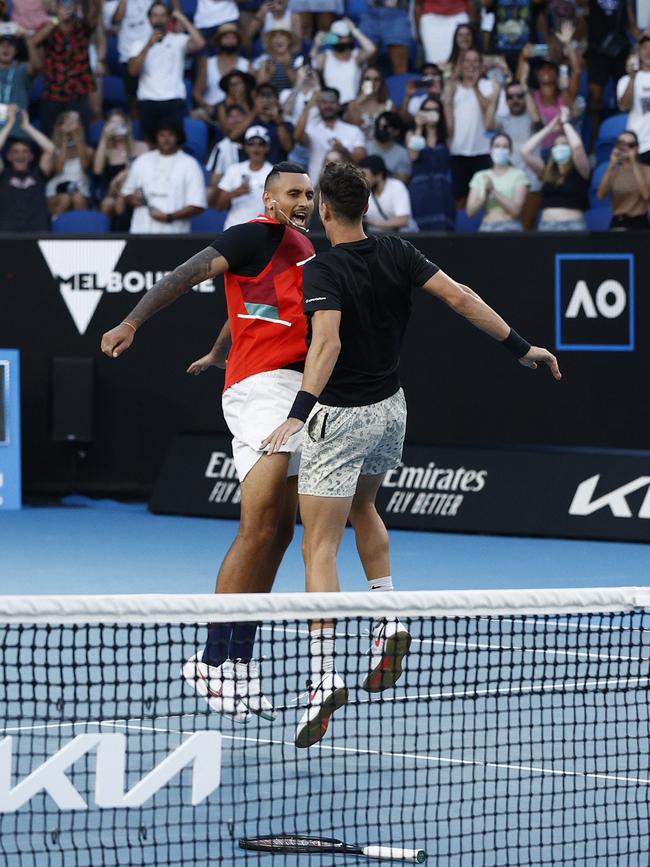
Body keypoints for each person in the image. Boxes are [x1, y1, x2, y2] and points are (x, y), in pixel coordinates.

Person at [261, 161, 561, 748]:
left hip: (341, 418)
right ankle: (389, 615)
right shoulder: (397, 249)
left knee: (317, 543)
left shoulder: (320, 267)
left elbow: (327, 343)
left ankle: (322, 677)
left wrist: (297, 413)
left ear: (324, 210)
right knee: (364, 509)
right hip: (390, 410)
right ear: (365, 208)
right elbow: (461, 297)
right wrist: (523, 348)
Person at [100, 162, 317, 723]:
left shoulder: (301, 248)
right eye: (293, 193)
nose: (304, 201)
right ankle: (213, 659)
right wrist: (132, 322)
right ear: (269, 198)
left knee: (280, 532)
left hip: (297, 392)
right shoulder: (253, 234)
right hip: (262, 392)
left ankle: (240, 662)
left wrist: (220, 349)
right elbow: (186, 273)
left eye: (309, 194)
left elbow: (256, 306)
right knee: (260, 524)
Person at [127, 3, 205, 142]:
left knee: (174, 143)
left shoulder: (178, 40)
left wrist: (182, 18)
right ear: (149, 19)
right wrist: (149, 45)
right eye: (155, 15)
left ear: (168, 18)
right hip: (148, 101)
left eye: (162, 15)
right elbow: (132, 71)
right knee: (149, 144)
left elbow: (200, 43)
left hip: (173, 101)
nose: (159, 19)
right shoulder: (138, 43)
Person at [121, 118, 206, 233]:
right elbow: (126, 194)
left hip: (175, 235)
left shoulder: (190, 164)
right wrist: (132, 199)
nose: (166, 139)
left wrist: (169, 217)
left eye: (170, 135)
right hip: (140, 233)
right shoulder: (142, 160)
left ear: (178, 137)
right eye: (162, 135)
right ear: (156, 137)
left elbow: (197, 205)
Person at [33, 0, 102, 136]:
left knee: (81, 138)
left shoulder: (83, 27)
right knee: (51, 138)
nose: (67, 8)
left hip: (78, 94)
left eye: (71, 4)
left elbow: (95, 12)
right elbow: (33, 42)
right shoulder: (48, 28)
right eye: (63, 4)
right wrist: (56, 21)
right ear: (56, 8)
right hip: (53, 94)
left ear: (77, 7)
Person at [521, 110, 590, 230]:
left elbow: (577, 147)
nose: (560, 147)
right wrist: (550, 127)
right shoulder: (547, 170)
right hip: (547, 226)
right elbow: (525, 152)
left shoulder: (580, 169)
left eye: (565, 144)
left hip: (573, 225)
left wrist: (565, 123)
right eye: (556, 145)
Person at [443, 47, 494, 206]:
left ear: (481, 65)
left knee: (482, 197)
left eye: (475, 61)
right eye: (467, 60)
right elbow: (446, 117)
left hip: (483, 150)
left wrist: (475, 85)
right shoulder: (453, 87)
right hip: (458, 150)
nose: (471, 65)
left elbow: (488, 110)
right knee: (460, 198)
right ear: (461, 64)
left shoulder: (487, 85)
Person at [585, 0, 639, 147]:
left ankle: (627, 135)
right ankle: (593, 139)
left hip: (618, 49)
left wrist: (643, 40)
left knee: (624, 96)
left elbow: (631, 24)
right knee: (594, 99)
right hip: (596, 49)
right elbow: (582, 14)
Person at [0, 104, 55, 232]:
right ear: (8, 157)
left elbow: (50, 150)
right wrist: (9, 124)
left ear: (31, 157)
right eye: (16, 151)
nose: (20, 155)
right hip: (6, 235)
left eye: (25, 152)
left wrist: (27, 127)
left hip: (37, 232)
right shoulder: (3, 175)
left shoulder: (38, 173)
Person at [294, 87, 366, 183]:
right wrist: (308, 107)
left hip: (347, 186)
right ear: (318, 104)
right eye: (324, 102)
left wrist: (342, 150)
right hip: (318, 187)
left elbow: (361, 158)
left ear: (338, 104)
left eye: (332, 102)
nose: (328, 106)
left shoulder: (353, 130)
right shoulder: (312, 130)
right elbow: (297, 137)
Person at [406, 95, 454, 230]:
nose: (431, 113)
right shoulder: (412, 133)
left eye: (435, 110)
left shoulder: (446, 135)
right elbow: (413, 156)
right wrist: (419, 127)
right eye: (427, 110)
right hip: (420, 188)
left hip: (442, 188)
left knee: (443, 229)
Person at [94, 109, 147, 229]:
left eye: (120, 125)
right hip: (114, 190)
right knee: (108, 202)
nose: (117, 129)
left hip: (138, 189)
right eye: (113, 125)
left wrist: (126, 174)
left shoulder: (141, 146)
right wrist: (104, 138)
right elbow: (97, 170)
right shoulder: (107, 150)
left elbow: (148, 172)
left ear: (127, 125)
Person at [466, 131, 528, 230]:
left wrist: (493, 191)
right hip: (487, 228)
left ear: (510, 151)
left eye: (505, 147)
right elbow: (470, 212)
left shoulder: (519, 175)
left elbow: (516, 210)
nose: (500, 149)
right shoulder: (480, 176)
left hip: (510, 227)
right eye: (497, 146)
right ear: (491, 150)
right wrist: (484, 196)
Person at [214, 124, 273, 228]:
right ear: (246, 147)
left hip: (260, 233)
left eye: (261, 144)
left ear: (267, 147)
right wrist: (233, 193)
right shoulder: (234, 170)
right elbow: (219, 207)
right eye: (251, 144)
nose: (256, 148)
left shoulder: (274, 173)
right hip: (233, 231)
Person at [192, 24, 250, 123]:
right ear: (219, 41)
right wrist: (207, 107)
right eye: (226, 37)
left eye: (233, 37)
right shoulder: (208, 63)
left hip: (237, 111)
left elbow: (252, 93)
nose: (230, 41)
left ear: (238, 41)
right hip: (212, 109)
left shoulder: (246, 65)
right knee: (194, 116)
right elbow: (197, 93)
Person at [310, 18, 376, 105]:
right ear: (331, 38)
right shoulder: (325, 57)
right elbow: (311, 65)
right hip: (330, 106)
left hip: (353, 106)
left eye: (344, 37)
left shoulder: (356, 56)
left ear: (350, 38)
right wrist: (316, 45)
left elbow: (371, 49)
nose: (341, 40)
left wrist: (355, 31)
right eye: (337, 37)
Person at [596, 130, 650, 230]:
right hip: (618, 222)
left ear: (637, 148)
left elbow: (646, 195)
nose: (625, 148)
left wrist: (634, 163)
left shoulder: (647, 170)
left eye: (630, 145)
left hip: (640, 223)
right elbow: (600, 195)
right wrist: (611, 165)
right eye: (621, 144)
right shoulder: (613, 171)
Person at [46, 110, 93, 216]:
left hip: (80, 188)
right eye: (66, 123)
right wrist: (64, 139)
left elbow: (85, 165)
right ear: (59, 127)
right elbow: (58, 170)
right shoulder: (51, 149)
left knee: (77, 198)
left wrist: (75, 135)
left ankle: (81, 230)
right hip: (56, 189)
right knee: (65, 198)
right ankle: (54, 227)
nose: (69, 126)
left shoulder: (88, 150)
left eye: (72, 123)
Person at [359, 154, 416, 233]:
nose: (362, 179)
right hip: (376, 238)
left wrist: (371, 223)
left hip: (402, 238)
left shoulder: (396, 187)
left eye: (364, 175)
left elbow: (403, 220)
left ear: (379, 175)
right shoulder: (363, 191)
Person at [617, 32, 650, 165]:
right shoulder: (625, 80)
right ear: (638, 52)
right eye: (645, 47)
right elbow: (624, 106)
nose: (649, 51)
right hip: (638, 146)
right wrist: (632, 77)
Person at [0, 28, 39, 140]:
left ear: (16, 50)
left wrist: (27, 39)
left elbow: (37, 66)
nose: (5, 48)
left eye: (10, 45)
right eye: (1, 45)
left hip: (18, 134)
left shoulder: (21, 69)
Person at [357, 0, 412, 75]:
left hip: (397, 12)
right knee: (366, 63)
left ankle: (400, 85)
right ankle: (367, 87)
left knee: (399, 65)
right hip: (370, 11)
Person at [342, 66, 393, 142]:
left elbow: (392, 132)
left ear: (381, 83)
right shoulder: (353, 104)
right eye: (367, 79)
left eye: (376, 80)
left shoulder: (389, 105)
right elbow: (351, 125)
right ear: (362, 82)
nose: (372, 83)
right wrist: (361, 99)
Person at [416, 0, 471, 65]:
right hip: (431, 19)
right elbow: (418, 4)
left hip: (458, 15)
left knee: (460, 58)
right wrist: (418, 30)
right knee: (434, 60)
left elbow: (471, 2)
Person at [366, 111, 411, 183]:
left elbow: (403, 179)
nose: (381, 129)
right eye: (378, 126)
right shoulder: (365, 148)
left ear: (396, 131)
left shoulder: (403, 153)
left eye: (385, 127)